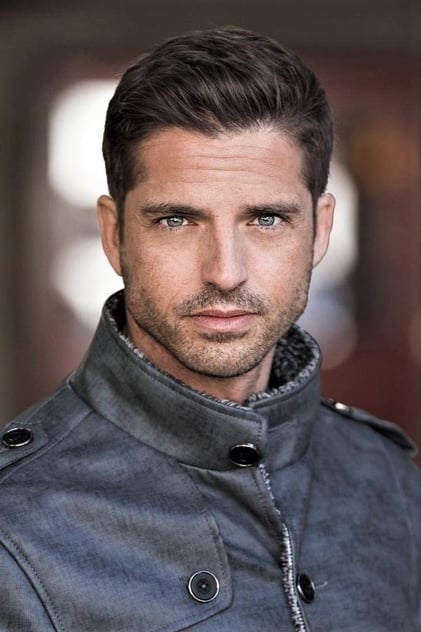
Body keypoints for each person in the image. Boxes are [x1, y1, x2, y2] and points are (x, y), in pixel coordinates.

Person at [0, 27, 419, 632]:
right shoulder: (15, 524)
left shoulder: (390, 483)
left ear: (320, 230)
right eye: (177, 220)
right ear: (115, 235)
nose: (224, 272)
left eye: (266, 219)